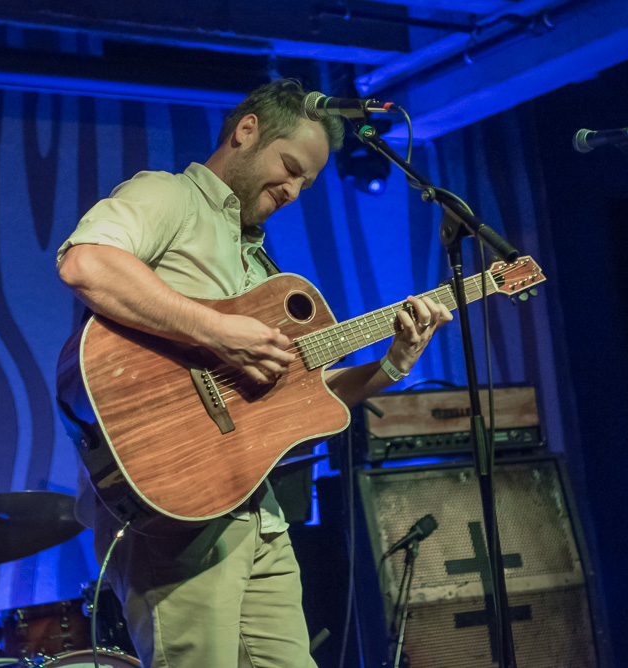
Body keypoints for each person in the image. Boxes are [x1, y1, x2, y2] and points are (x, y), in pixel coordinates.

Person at [56, 78, 452, 668]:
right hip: (175, 514)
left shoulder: (259, 262)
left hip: (257, 511)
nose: (292, 191)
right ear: (246, 131)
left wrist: (391, 365)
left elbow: (306, 396)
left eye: (305, 184)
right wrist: (217, 330)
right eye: (289, 168)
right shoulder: (169, 196)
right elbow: (86, 263)